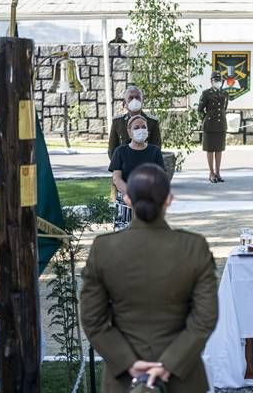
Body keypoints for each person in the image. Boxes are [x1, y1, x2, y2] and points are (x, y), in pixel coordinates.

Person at [81, 164, 218, 393]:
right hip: (183, 377)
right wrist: (169, 363)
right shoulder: (194, 247)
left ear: (128, 200)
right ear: (169, 200)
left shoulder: (104, 249)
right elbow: (205, 318)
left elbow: (92, 319)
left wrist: (128, 362)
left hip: (124, 380)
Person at [109, 115, 165, 230]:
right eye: (136, 127)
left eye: (144, 127)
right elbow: (117, 179)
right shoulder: (120, 152)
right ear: (129, 132)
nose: (141, 130)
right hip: (125, 199)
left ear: (147, 131)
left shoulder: (155, 151)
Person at [108, 86, 162, 159]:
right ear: (124, 102)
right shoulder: (117, 122)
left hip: (145, 165)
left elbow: (156, 148)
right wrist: (118, 165)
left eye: (137, 97)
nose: (134, 100)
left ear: (142, 101)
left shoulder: (152, 122)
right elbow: (112, 150)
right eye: (130, 98)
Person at [198, 71, 230, 183]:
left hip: (221, 124)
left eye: (219, 80)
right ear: (211, 81)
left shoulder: (225, 94)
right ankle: (211, 173)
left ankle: (218, 172)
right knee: (210, 149)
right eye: (215, 80)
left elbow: (224, 108)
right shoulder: (206, 93)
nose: (218, 82)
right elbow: (200, 110)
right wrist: (206, 119)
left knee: (219, 149)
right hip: (210, 125)